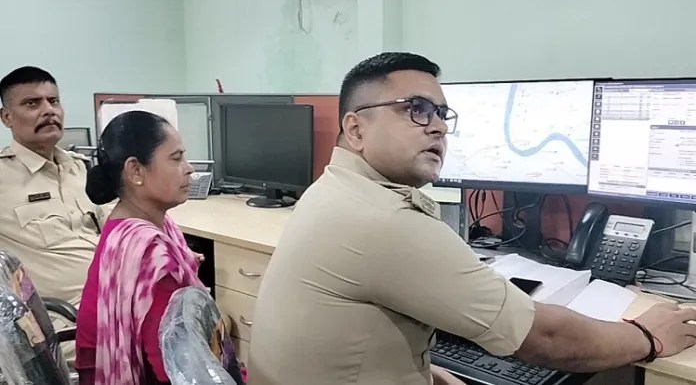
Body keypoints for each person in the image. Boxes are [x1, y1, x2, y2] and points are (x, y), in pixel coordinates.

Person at [248, 52, 696, 385]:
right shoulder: (382, 220)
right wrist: (647, 336)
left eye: (442, 114)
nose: (439, 126)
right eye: (415, 109)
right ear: (355, 129)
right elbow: (546, 338)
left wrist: (422, 370)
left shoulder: (333, 189)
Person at [74, 111, 243, 384]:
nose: (189, 168)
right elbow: (177, 373)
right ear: (135, 171)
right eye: (176, 158)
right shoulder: (149, 255)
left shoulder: (127, 225)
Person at [0, 66, 104, 308]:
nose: (49, 110)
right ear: (7, 118)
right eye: (32, 104)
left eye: (53, 101)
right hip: (64, 317)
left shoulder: (79, 168)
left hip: (120, 298)